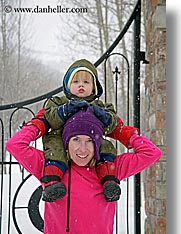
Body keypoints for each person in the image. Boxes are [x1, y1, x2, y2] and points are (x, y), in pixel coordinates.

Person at [6, 107, 162, 234]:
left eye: (89, 141)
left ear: (97, 144)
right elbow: (15, 145)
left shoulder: (111, 170)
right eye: (76, 140)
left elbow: (151, 153)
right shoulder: (50, 168)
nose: (82, 148)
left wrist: (119, 131)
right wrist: (41, 123)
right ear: (66, 143)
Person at [24, 59, 139, 202]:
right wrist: (64, 111)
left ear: (94, 87)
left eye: (86, 82)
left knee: (106, 147)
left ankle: (108, 180)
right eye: (76, 82)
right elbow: (50, 117)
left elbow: (113, 125)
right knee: (55, 149)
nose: (81, 86)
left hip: (93, 140)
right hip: (60, 137)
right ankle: (52, 183)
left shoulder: (100, 105)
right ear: (68, 85)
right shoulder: (59, 102)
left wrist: (105, 117)